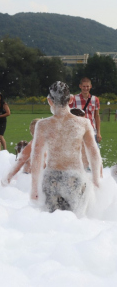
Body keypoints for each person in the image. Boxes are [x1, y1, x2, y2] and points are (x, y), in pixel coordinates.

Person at [31, 81, 101, 215]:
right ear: (71, 99)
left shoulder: (43, 125)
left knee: (52, 224)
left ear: (49, 101)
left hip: (51, 179)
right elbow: (93, 153)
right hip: (74, 178)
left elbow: (36, 156)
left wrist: (34, 187)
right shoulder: (83, 123)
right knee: (74, 224)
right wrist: (96, 180)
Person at [2, 119, 40, 185]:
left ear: (32, 132)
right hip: (33, 180)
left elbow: (18, 164)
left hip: (29, 180)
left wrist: (6, 180)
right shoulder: (47, 146)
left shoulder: (31, 147)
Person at [70, 77, 101, 144]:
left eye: (87, 86)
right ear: (80, 86)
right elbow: (69, 115)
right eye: (84, 86)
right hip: (78, 132)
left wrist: (98, 132)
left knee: (94, 153)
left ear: (90, 86)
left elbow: (96, 116)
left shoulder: (95, 99)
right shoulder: (74, 99)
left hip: (92, 131)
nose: (85, 88)